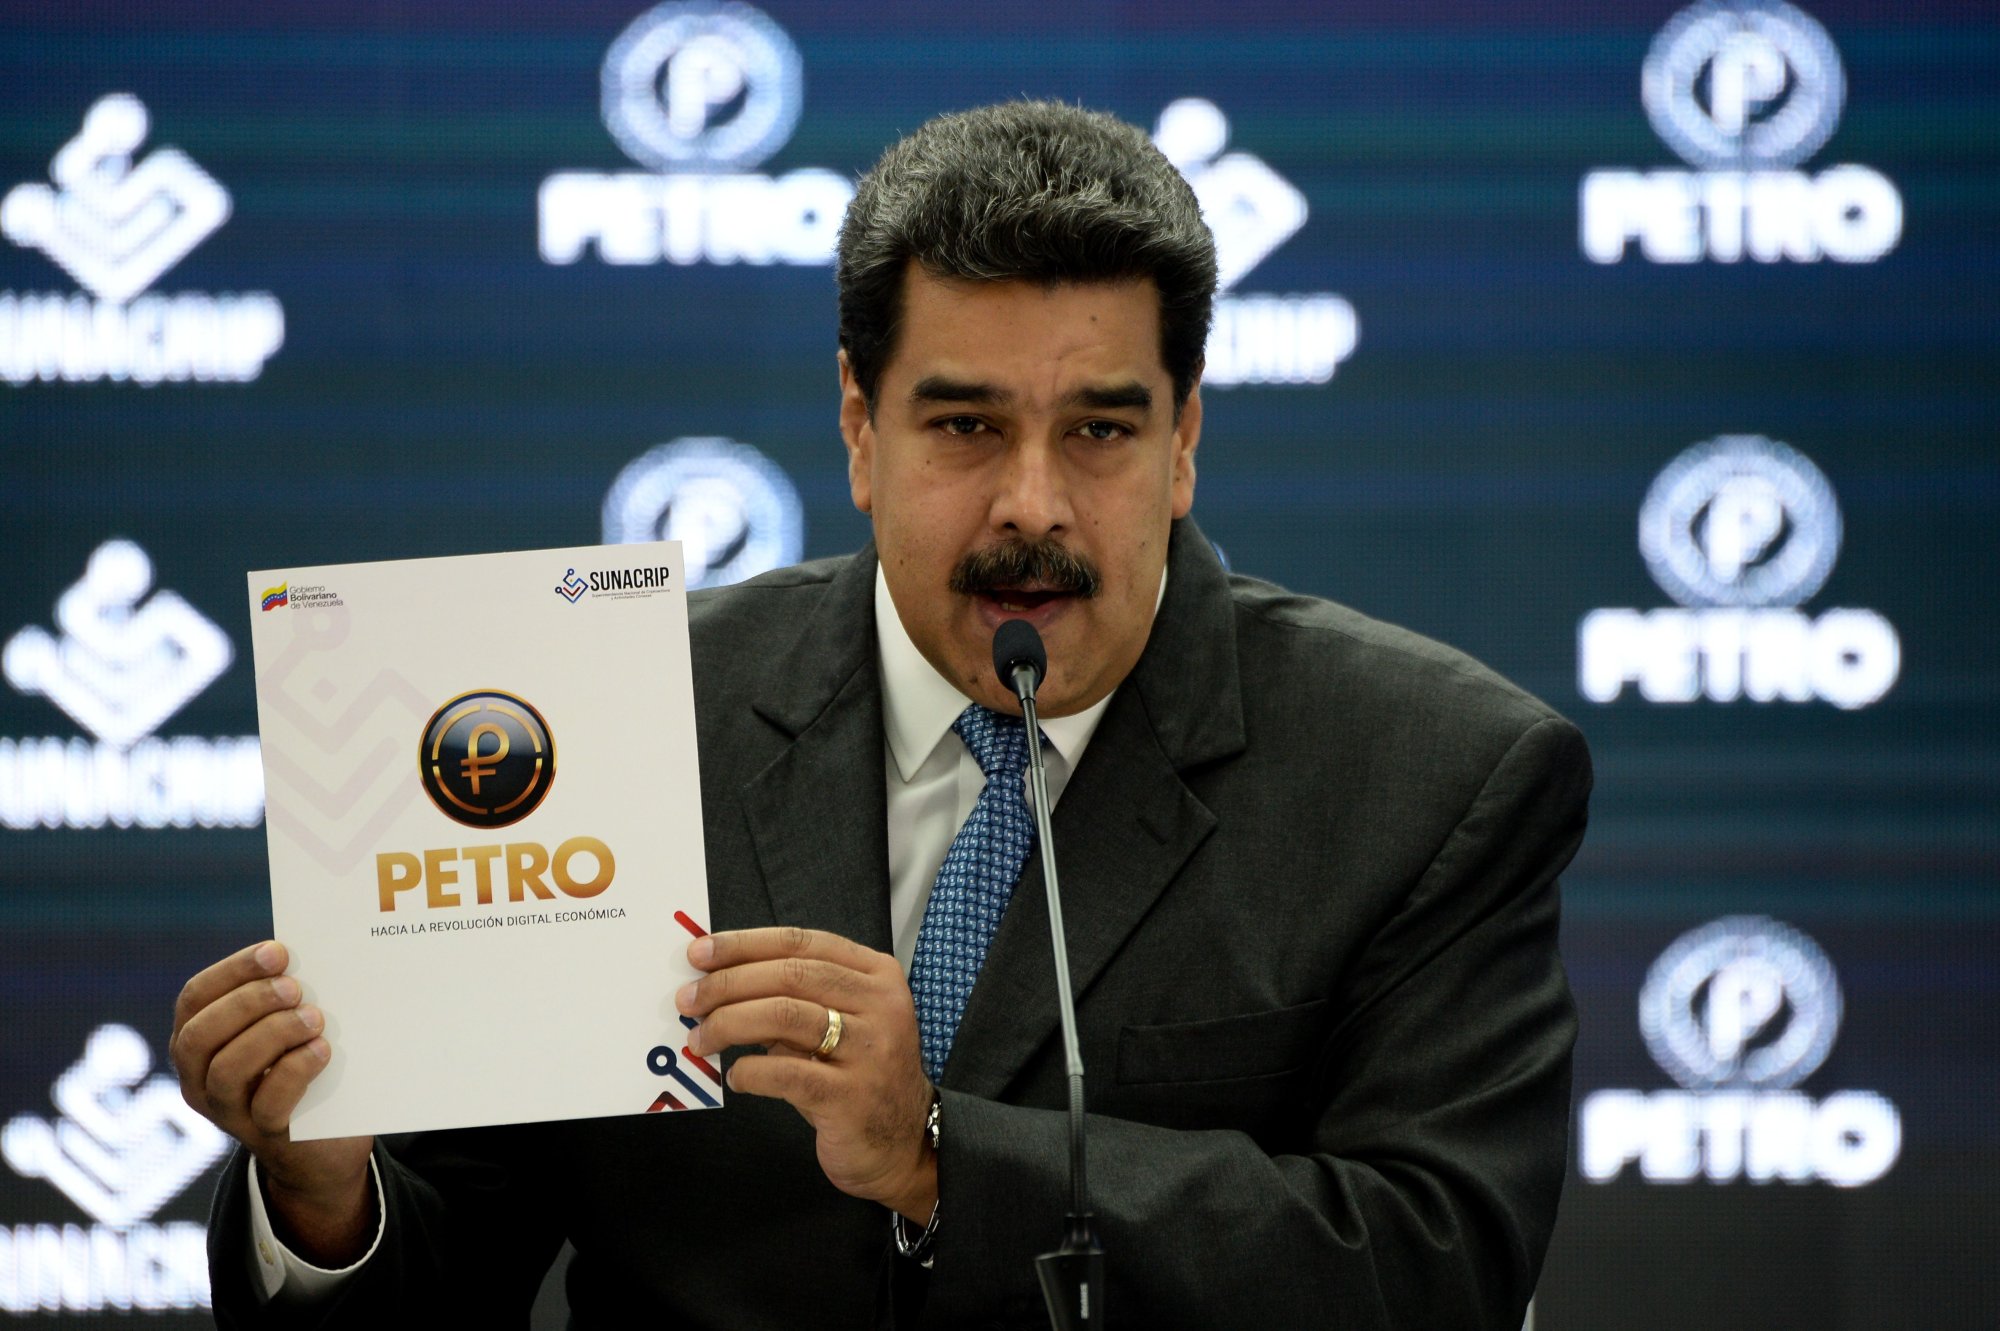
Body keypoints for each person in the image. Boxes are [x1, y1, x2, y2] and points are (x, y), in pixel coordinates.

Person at [174, 100, 1590, 1329]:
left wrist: (940, 1156)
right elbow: (447, 1273)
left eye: (1100, 429)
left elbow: (1435, 1271)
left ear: (1185, 442)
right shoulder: (623, 715)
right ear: (859, 429)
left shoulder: (1432, 777)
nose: (1032, 503)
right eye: (964, 425)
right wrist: (323, 1195)